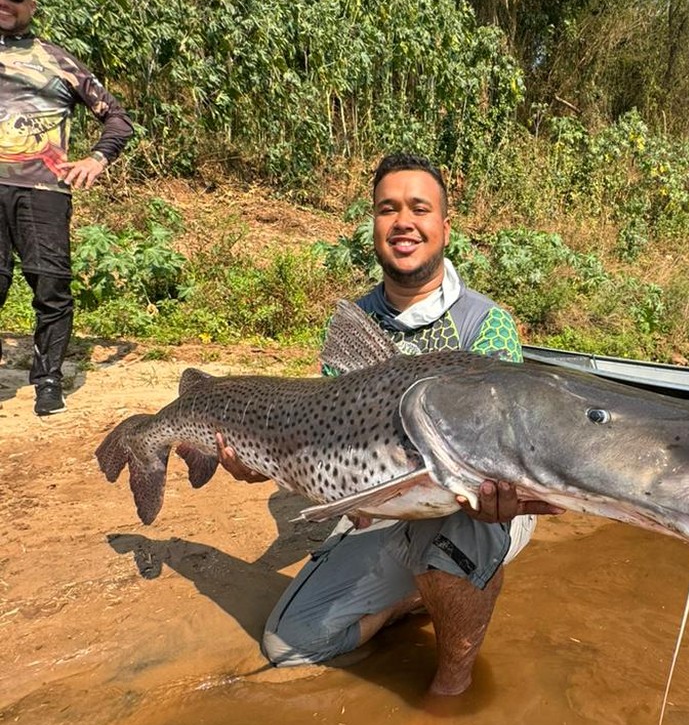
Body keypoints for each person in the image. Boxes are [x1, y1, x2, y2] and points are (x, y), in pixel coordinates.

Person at [217, 151, 561, 696]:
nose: (403, 220)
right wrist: (258, 462)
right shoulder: (352, 326)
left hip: (480, 506)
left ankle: (452, 685)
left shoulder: (485, 325)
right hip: (382, 506)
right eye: (387, 208)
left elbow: (506, 447)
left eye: (419, 208)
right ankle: (422, 595)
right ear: (374, 226)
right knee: (291, 645)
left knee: (460, 517)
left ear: (445, 228)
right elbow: (327, 442)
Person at [0, 0, 134, 415]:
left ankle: (48, 381)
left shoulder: (56, 61)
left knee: (51, 287)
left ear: (31, 4)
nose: (4, 1)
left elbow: (118, 118)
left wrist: (97, 160)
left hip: (43, 192)